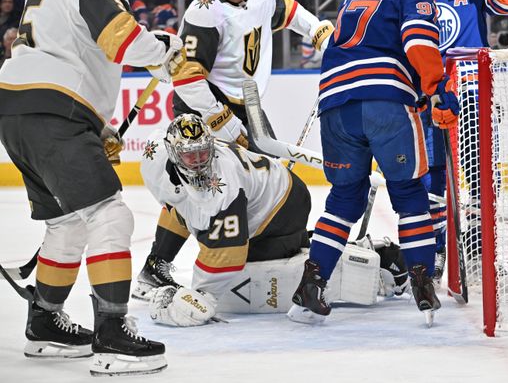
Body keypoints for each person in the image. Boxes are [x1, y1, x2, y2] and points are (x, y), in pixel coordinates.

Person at [0, 0, 183, 376]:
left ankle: (45, 323)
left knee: (66, 224)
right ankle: (113, 335)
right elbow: (121, 40)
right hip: (55, 114)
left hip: (17, 112)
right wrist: (163, 52)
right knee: (110, 215)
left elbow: (65, 52)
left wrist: (95, 129)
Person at [133, 0, 334, 300]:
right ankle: (155, 266)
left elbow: (289, 10)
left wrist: (318, 31)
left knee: (267, 179)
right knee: (198, 189)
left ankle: (256, 246)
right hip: (201, 110)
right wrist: (221, 122)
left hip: (244, 106)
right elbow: (187, 78)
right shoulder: (205, 11)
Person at [288, 0, 457, 326]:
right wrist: (437, 89)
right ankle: (422, 281)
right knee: (409, 194)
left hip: (334, 103)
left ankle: (312, 283)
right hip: (385, 100)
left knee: (344, 199)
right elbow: (418, 42)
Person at [142, 114, 410, 326]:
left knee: (266, 265)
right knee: (181, 201)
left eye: (203, 152)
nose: (200, 162)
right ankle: (155, 266)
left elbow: (229, 255)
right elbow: (176, 201)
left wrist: (200, 297)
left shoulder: (223, 187)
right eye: (190, 155)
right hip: (264, 192)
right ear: (172, 151)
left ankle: (375, 255)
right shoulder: (154, 154)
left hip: (283, 204)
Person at [415, 0, 508, 281]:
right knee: (433, 178)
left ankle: (479, 252)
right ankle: (435, 251)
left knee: (481, 177)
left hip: (475, 94)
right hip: (433, 98)